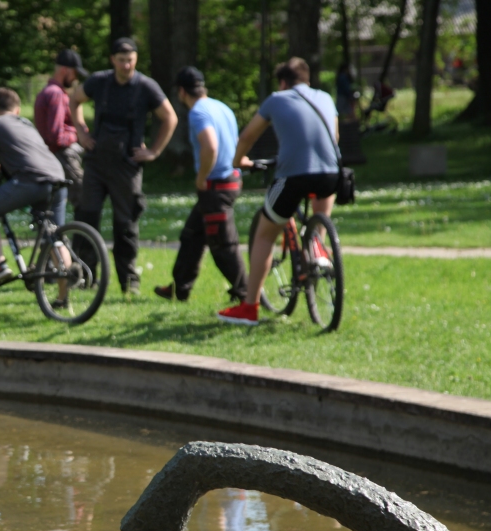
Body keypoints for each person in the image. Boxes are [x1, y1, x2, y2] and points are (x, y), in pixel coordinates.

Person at [218, 57, 339, 326]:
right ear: (307, 79)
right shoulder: (325, 98)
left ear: (283, 82)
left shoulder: (276, 99)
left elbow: (248, 136)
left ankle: (249, 307)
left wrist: (238, 160)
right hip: (331, 174)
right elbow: (335, 137)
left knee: (264, 234)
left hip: (293, 176)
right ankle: (316, 253)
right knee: (320, 216)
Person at [69, 37, 178, 295]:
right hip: (96, 164)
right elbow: (74, 100)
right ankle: (85, 277)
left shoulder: (146, 87)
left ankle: (129, 283)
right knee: (86, 218)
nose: (126, 65)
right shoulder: (99, 81)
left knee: (126, 225)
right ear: (112, 60)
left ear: (136, 59)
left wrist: (154, 151)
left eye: (130, 60)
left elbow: (169, 117)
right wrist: (82, 133)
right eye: (121, 60)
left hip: (127, 167)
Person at [0, 87, 69, 294]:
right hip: (57, 177)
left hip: (31, 180)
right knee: (53, 234)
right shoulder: (26, 125)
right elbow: (30, 156)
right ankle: (63, 297)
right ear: (17, 110)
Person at [153, 67, 246, 304]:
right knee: (192, 235)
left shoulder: (198, 113)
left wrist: (202, 177)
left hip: (216, 185)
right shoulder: (221, 107)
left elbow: (210, 146)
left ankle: (245, 292)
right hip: (232, 179)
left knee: (222, 244)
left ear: (182, 92)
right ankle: (179, 288)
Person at [34, 48, 88, 218]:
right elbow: (56, 136)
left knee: (54, 204)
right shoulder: (56, 95)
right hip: (63, 156)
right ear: (65, 70)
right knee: (85, 199)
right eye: (75, 73)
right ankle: (83, 242)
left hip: (52, 156)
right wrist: (77, 135)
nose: (76, 78)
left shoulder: (47, 92)